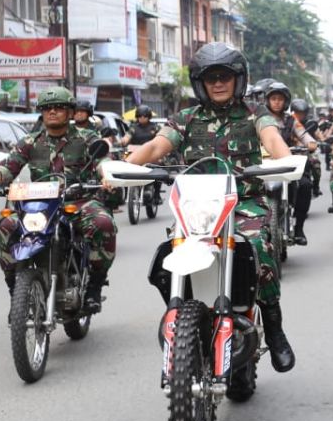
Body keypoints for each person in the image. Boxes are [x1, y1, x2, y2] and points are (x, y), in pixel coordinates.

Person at [124, 43, 297, 373]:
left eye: (225, 76)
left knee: (258, 248)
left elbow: (272, 139)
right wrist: (123, 166)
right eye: (210, 77)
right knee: (167, 256)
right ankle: (185, 317)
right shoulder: (186, 118)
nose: (218, 83)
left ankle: (274, 330)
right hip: (197, 208)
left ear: (238, 80)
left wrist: (286, 160)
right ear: (200, 83)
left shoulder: (254, 114)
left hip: (244, 203)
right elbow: (156, 146)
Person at [0, 88, 116, 310]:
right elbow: (8, 166)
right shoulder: (30, 141)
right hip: (39, 205)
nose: (52, 112)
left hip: (78, 202)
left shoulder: (86, 137)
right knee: (6, 226)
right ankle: (16, 293)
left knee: (103, 223)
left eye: (59, 107)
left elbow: (103, 161)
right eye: (47, 108)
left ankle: (94, 287)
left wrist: (107, 176)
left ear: (70, 112)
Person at [265, 83, 318, 245]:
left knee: (305, 185)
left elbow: (303, 134)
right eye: (273, 99)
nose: (276, 102)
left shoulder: (291, 120)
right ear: (268, 101)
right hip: (265, 163)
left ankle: (299, 228)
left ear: (286, 101)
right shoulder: (260, 118)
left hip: (288, 162)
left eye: (280, 99)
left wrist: (310, 143)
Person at [290, 98, 322, 199]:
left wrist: (318, 142)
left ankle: (316, 186)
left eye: (302, 113)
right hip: (289, 152)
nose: (300, 115)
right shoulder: (288, 122)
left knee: (316, 163)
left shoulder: (310, 123)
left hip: (306, 151)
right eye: (297, 112)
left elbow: (318, 135)